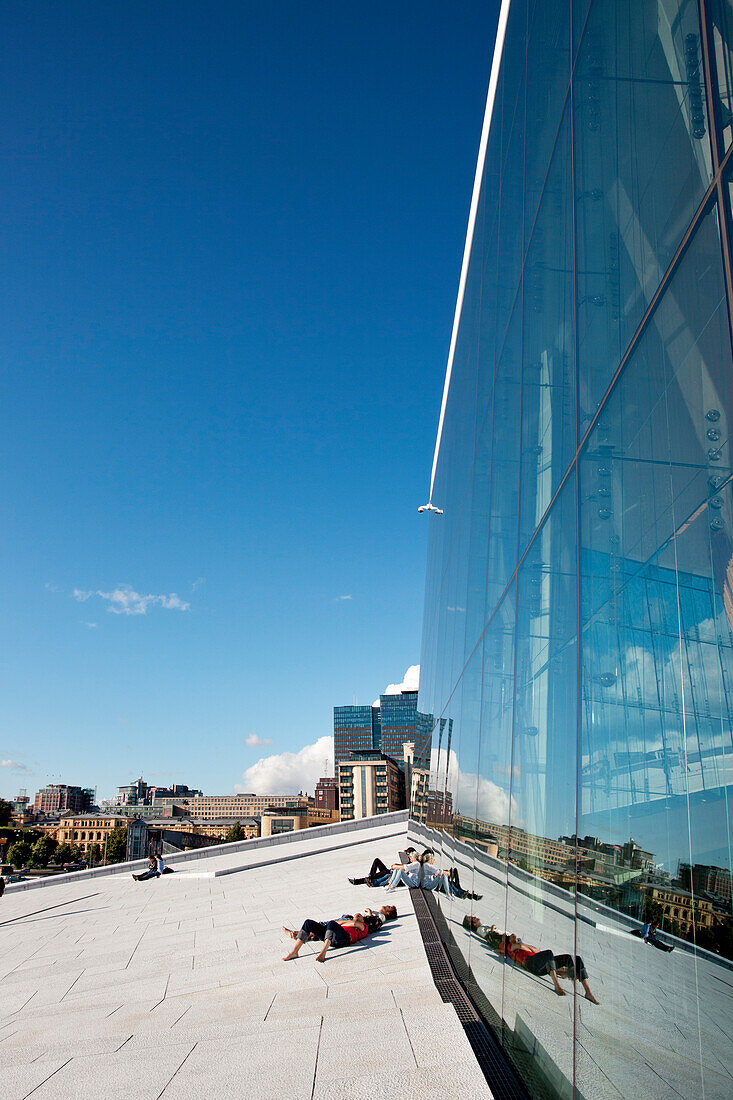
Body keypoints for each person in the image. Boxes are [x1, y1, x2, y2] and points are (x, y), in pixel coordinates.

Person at [499, 933, 600, 1004]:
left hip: (539, 963)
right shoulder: (510, 947)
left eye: (515, 936)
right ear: (510, 940)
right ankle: (557, 985)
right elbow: (522, 946)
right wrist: (530, 948)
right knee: (548, 953)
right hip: (530, 963)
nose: (515, 937)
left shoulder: (518, 946)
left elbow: (533, 950)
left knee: (574, 959)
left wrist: (533, 950)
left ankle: (588, 992)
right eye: (513, 936)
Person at [282, 905, 397, 963]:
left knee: (332, 924)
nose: (357, 915)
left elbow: (355, 924)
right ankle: (294, 952)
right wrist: (345, 922)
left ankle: (323, 953)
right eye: (356, 914)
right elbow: (347, 922)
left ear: (363, 919)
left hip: (344, 939)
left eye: (360, 916)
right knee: (308, 923)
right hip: (333, 935)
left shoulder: (364, 927)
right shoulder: (349, 922)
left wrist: (348, 922)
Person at [349, 849, 418, 887]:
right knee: (377, 861)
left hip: (394, 874)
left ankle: (362, 880)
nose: (407, 856)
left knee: (385, 874)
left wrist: (396, 867)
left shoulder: (413, 864)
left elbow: (405, 870)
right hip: (393, 872)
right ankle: (370, 877)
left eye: (408, 855)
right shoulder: (411, 862)